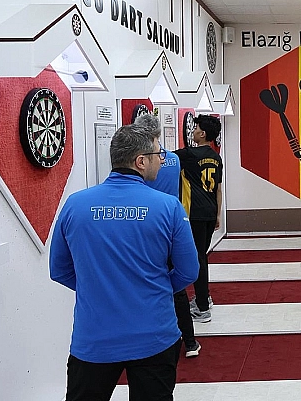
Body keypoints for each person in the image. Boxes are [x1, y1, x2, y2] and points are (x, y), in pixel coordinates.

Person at [49, 124, 199, 401]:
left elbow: (59, 270)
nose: (162, 160)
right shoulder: (168, 207)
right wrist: (157, 289)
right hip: (154, 334)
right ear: (141, 161)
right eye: (158, 154)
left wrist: (97, 288)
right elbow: (189, 271)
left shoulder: (74, 205)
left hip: (94, 338)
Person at [136, 114, 201, 358]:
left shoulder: (141, 162)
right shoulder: (173, 158)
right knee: (178, 289)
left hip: (146, 227)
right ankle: (190, 342)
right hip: (171, 225)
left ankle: (153, 339)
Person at [175, 114, 223, 323]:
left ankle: (202, 307)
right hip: (210, 212)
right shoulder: (216, 158)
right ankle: (205, 297)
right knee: (202, 256)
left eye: (195, 128)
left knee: (198, 259)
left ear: (202, 133)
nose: (192, 131)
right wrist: (218, 214)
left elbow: (162, 156)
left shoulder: (188, 154)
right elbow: (218, 189)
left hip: (195, 213)